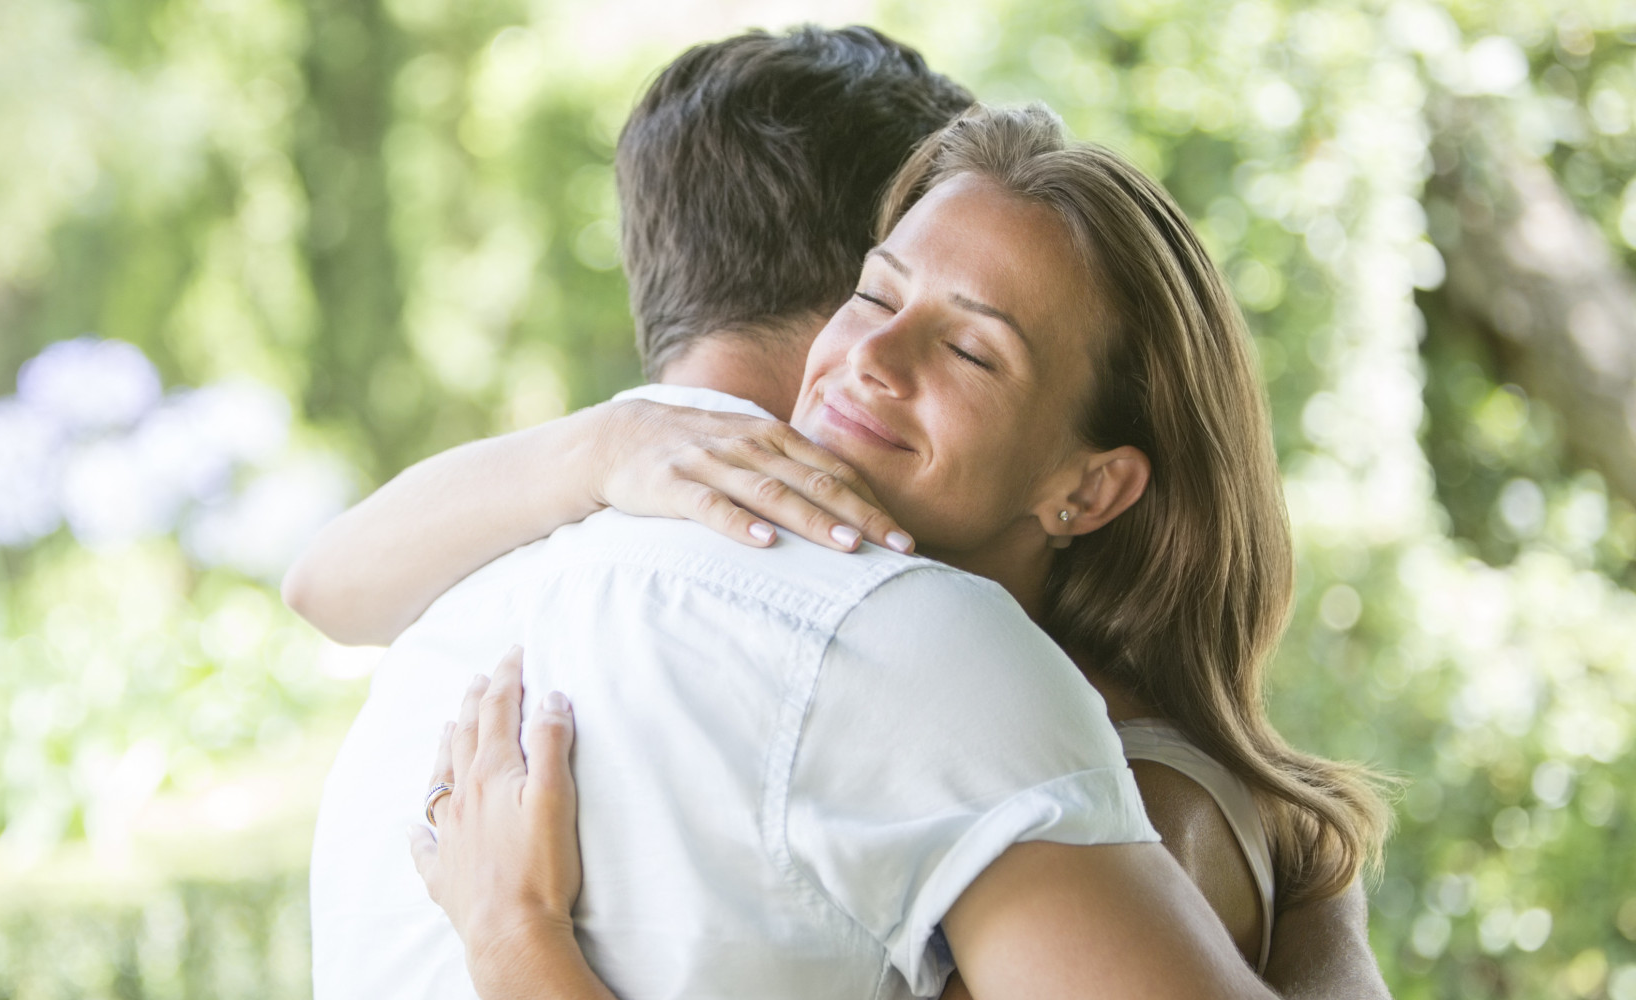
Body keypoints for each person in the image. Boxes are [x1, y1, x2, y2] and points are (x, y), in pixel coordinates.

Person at [292, 31, 1389, 1000]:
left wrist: (517, 944)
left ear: (1088, 487)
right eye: (872, 293)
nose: (868, 357)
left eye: (969, 347)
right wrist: (601, 447)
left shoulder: (1004, 707)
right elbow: (319, 584)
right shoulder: (984, 696)